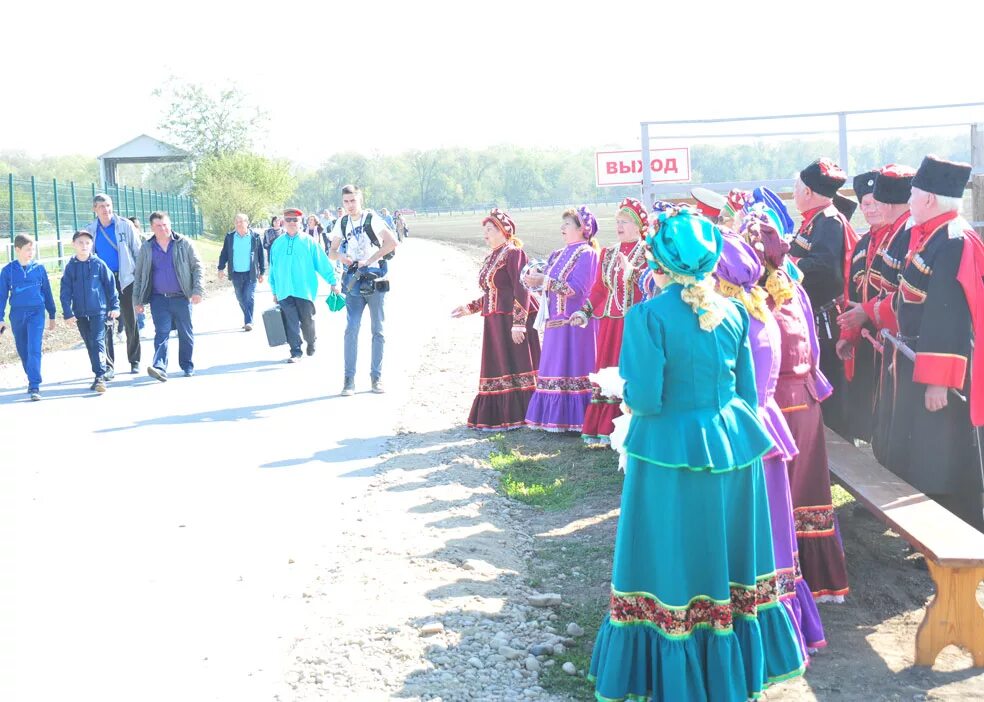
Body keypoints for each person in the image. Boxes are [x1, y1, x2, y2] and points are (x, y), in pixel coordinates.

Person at [589, 206, 805, 702]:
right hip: (734, 443)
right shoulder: (734, 311)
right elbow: (749, 393)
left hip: (669, 450)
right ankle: (731, 667)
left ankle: (675, 664)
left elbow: (644, 398)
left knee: (671, 557)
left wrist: (620, 391)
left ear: (658, 264)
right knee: (726, 560)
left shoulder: (646, 315)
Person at [717, 224, 827, 660]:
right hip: (766, 425)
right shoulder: (759, 308)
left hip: (746, 432)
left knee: (757, 535)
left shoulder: (737, 318)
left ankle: (759, 632)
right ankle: (781, 621)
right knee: (775, 534)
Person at [863, 155, 984, 530]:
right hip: (915, 358)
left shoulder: (951, 240)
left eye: (913, 195)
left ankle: (961, 541)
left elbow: (948, 315)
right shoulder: (932, 234)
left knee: (944, 457)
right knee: (923, 455)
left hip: (940, 371)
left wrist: (938, 381)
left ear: (929, 199)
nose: (908, 202)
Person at [744, 211, 850, 601]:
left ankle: (782, 579)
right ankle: (820, 580)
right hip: (805, 400)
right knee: (808, 490)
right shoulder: (794, 288)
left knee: (779, 494)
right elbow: (813, 348)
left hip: (775, 402)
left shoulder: (753, 299)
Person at [837, 166, 915, 444]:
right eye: (864, 204)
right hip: (870, 338)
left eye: (874, 202)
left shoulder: (905, 236)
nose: (870, 209)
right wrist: (849, 334)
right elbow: (852, 294)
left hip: (894, 334)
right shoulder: (862, 244)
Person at [452, 208, 541, 430]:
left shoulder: (514, 253)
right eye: (485, 230)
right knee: (499, 366)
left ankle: (524, 413)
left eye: (490, 230)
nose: (486, 235)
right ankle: (504, 416)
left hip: (512, 321)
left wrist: (519, 323)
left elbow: (522, 289)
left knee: (517, 364)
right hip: (494, 322)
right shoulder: (492, 256)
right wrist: (470, 307)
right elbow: (493, 293)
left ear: (503, 231)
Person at [790, 158, 859, 438]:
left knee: (829, 388)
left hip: (826, 323)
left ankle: (835, 451)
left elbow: (823, 265)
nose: (794, 193)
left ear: (807, 192)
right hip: (817, 318)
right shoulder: (816, 221)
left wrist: (784, 267)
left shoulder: (828, 221)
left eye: (796, 187)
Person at [572, 197, 647, 444]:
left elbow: (652, 284)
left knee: (630, 372)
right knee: (608, 372)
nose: (619, 225)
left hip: (635, 325)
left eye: (624, 221)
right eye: (617, 221)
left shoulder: (648, 252)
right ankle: (603, 428)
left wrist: (633, 273)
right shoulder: (608, 253)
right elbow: (599, 289)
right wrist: (584, 311)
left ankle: (629, 430)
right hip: (610, 325)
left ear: (637, 225)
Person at [523, 207, 599, 432]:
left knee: (573, 370)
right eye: (563, 224)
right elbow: (546, 285)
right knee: (553, 370)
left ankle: (577, 420)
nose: (562, 228)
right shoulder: (557, 254)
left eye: (567, 224)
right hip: (554, 323)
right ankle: (553, 419)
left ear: (582, 229)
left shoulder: (587, 253)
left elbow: (577, 288)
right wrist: (532, 281)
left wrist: (544, 281)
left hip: (575, 325)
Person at [328, 185, 398, 395]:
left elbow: (392, 243)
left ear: (360, 200)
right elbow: (331, 252)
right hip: (353, 280)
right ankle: (349, 380)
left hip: (375, 277)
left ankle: (376, 377)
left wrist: (369, 260)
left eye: (353, 201)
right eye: (346, 202)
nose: (350, 205)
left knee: (378, 329)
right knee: (352, 329)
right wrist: (342, 257)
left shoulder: (372, 219)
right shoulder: (342, 222)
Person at [133, 212, 203, 381]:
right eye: (158, 225)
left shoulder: (183, 243)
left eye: (165, 224)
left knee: (185, 333)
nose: (163, 228)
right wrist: (137, 300)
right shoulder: (147, 248)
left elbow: (197, 267)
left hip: (181, 297)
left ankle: (187, 365)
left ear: (170, 224)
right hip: (159, 299)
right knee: (161, 332)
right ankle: (159, 367)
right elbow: (140, 275)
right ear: (152, 228)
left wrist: (197, 290)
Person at [268, 207, 340, 363]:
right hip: (284, 290)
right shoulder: (277, 244)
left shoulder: (309, 242)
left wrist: (333, 281)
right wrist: (274, 290)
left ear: (301, 222)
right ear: (283, 222)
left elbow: (322, 263)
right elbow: (273, 269)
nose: (292, 223)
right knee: (290, 321)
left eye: (295, 220)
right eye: (289, 220)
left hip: (305, 290)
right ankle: (295, 351)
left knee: (307, 321)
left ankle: (311, 340)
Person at [86, 193, 142, 375]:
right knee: (106, 323)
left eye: (108, 205)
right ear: (95, 209)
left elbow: (138, 251)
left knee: (130, 321)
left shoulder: (124, 225)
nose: (106, 210)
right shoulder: (90, 230)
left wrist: (139, 277)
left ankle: (134, 360)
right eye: (101, 207)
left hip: (126, 280)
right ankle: (108, 365)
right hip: (103, 282)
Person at [60, 230, 120, 393]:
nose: (84, 246)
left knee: (98, 341)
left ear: (91, 245)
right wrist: (68, 312)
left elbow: (110, 286)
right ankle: (99, 373)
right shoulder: (70, 267)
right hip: (80, 313)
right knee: (90, 344)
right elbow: (65, 291)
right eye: (80, 242)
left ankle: (100, 376)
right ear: (74, 244)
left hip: (99, 312)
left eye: (87, 243)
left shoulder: (98, 264)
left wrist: (115, 306)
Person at [0, 235, 56, 400]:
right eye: (27, 249)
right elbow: (2, 295)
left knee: (34, 348)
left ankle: (34, 385)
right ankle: (32, 374)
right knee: (23, 349)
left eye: (33, 249)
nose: (31, 252)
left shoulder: (39, 268)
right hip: (17, 314)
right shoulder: (8, 270)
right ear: (17, 250)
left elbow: (47, 292)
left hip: (36, 313)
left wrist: (52, 314)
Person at [218, 213, 266, 331]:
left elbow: (260, 255)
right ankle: (248, 318)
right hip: (236, 273)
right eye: (237, 222)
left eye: (241, 221)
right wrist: (221, 268)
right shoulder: (230, 237)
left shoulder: (254, 236)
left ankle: (248, 321)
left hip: (251, 272)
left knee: (249, 296)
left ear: (247, 223)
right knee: (240, 297)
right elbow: (224, 253)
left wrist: (262, 272)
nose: (239, 224)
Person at [126, 217, 148, 331]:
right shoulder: (124, 239)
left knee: (139, 298)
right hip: (129, 273)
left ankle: (141, 322)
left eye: (136, 227)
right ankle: (137, 323)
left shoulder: (144, 239)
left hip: (142, 272)